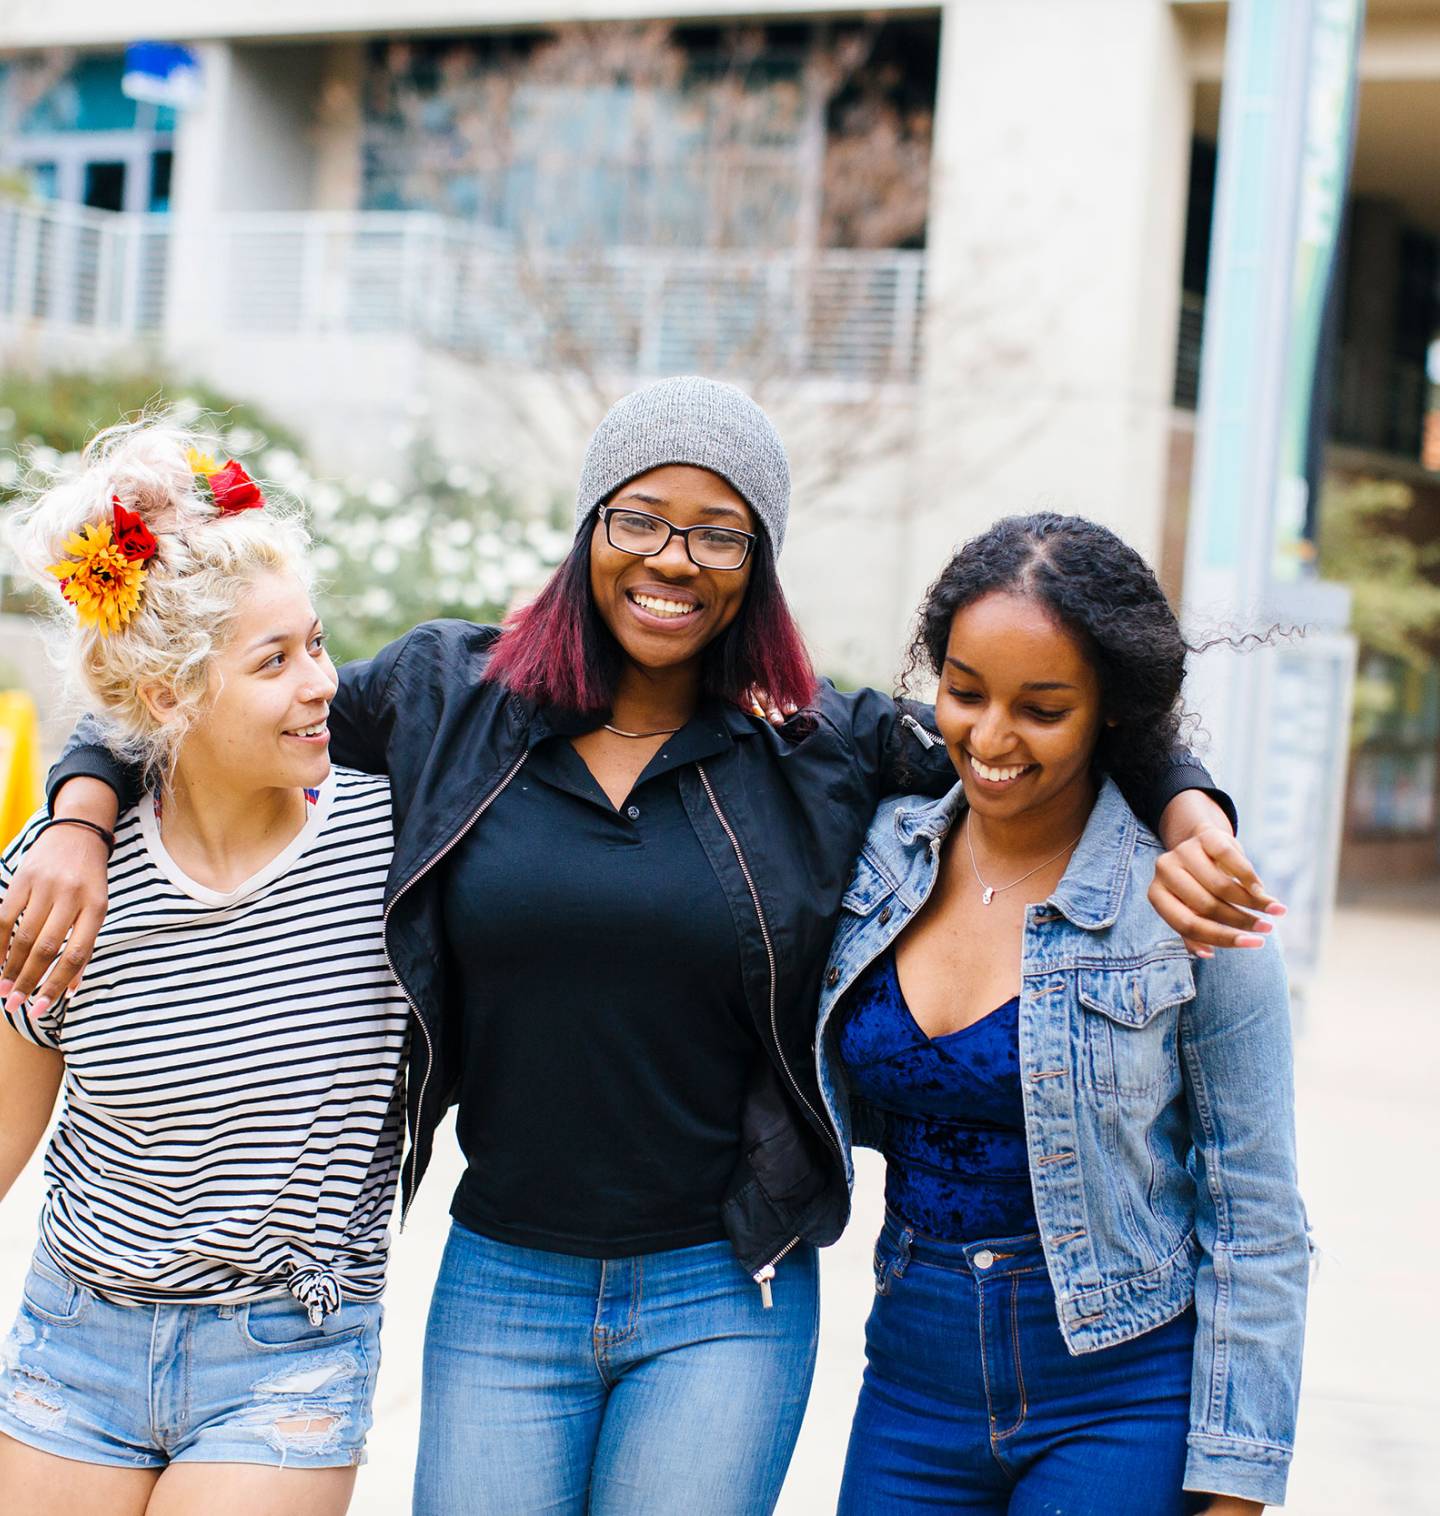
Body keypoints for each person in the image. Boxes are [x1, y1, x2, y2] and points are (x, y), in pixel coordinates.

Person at [3, 380, 1267, 1516]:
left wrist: (1186, 798)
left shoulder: (816, 745)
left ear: (758, 561)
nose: (675, 559)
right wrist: (78, 810)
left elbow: (1033, 731)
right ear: (590, 528)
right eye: (642, 518)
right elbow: (197, 687)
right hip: (503, 1276)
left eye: (719, 532)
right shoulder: (451, 697)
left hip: (727, 1291)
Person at [816, 513, 1307, 1515]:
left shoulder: (1188, 906)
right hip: (911, 1373)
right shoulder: (873, 852)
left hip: (1120, 1389)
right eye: (964, 691)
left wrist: (1237, 1480)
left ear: (1110, 713)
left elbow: (1256, 1217)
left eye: (1041, 708)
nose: (990, 738)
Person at [0, 420, 407, 1516]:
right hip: (76, 1338)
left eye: (315, 642)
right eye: (273, 662)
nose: (322, 682)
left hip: (285, 1352)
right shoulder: (57, 886)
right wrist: (78, 818)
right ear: (170, 699)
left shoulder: (393, 849)